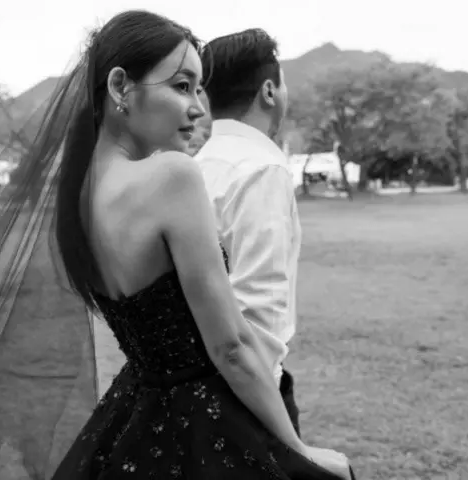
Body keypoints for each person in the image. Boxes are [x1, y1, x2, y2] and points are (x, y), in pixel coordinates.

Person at [52, 11, 353, 480]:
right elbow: (230, 345)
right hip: (203, 423)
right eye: (182, 86)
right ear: (119, 87)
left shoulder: (81, 194)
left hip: (131, 417)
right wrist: (296, 449)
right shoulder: (171, 175)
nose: (198, 108)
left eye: (199, 89)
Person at [195, 28, 303, 435]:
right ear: (269, 91)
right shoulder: (260, 169)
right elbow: (260, 312)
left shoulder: (193, 163)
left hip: (189, 387)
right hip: (246, 399)